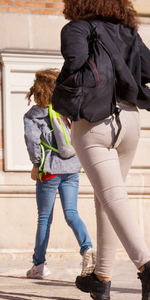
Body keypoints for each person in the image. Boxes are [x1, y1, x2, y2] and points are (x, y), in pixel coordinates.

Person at [57, 0, 150, 300]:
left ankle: (147, 266)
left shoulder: (77, 28)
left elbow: (74, 62)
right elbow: (149, 70)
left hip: (93, 122)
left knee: (112, 196)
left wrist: (64, 101)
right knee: (106, 197)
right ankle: (101, 279)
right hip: (131, 120)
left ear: (81, 4)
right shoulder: (128, 32)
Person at [23, 68, 95, 279]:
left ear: (36, 92)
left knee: (44, 218)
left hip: (50, 171)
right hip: (72, 169)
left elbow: (33, 142)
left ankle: (38, 266)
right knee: (72, 213)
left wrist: (36, 165)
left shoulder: (33, 116)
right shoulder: (66, 111)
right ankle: (87, 248)